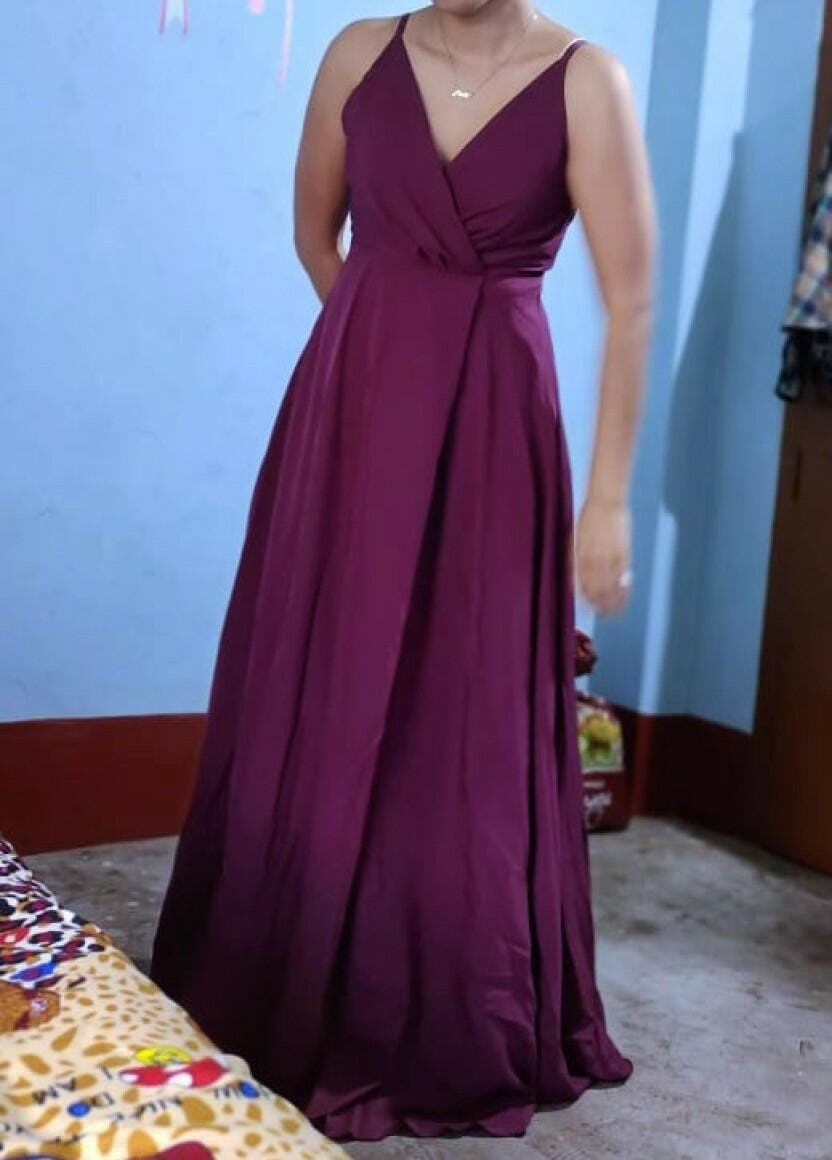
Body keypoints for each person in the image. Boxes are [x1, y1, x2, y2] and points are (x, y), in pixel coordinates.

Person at [150, 0, 656, 1143]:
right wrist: (386, 359)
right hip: (352, 414)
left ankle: (443, 1005)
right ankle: (290, 961)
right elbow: (314, 236)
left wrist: (610, 495)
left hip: (497, 428)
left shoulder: (587, 80)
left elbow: (629, 301)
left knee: (463, 698)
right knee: (325, 670)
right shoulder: (356, 54)